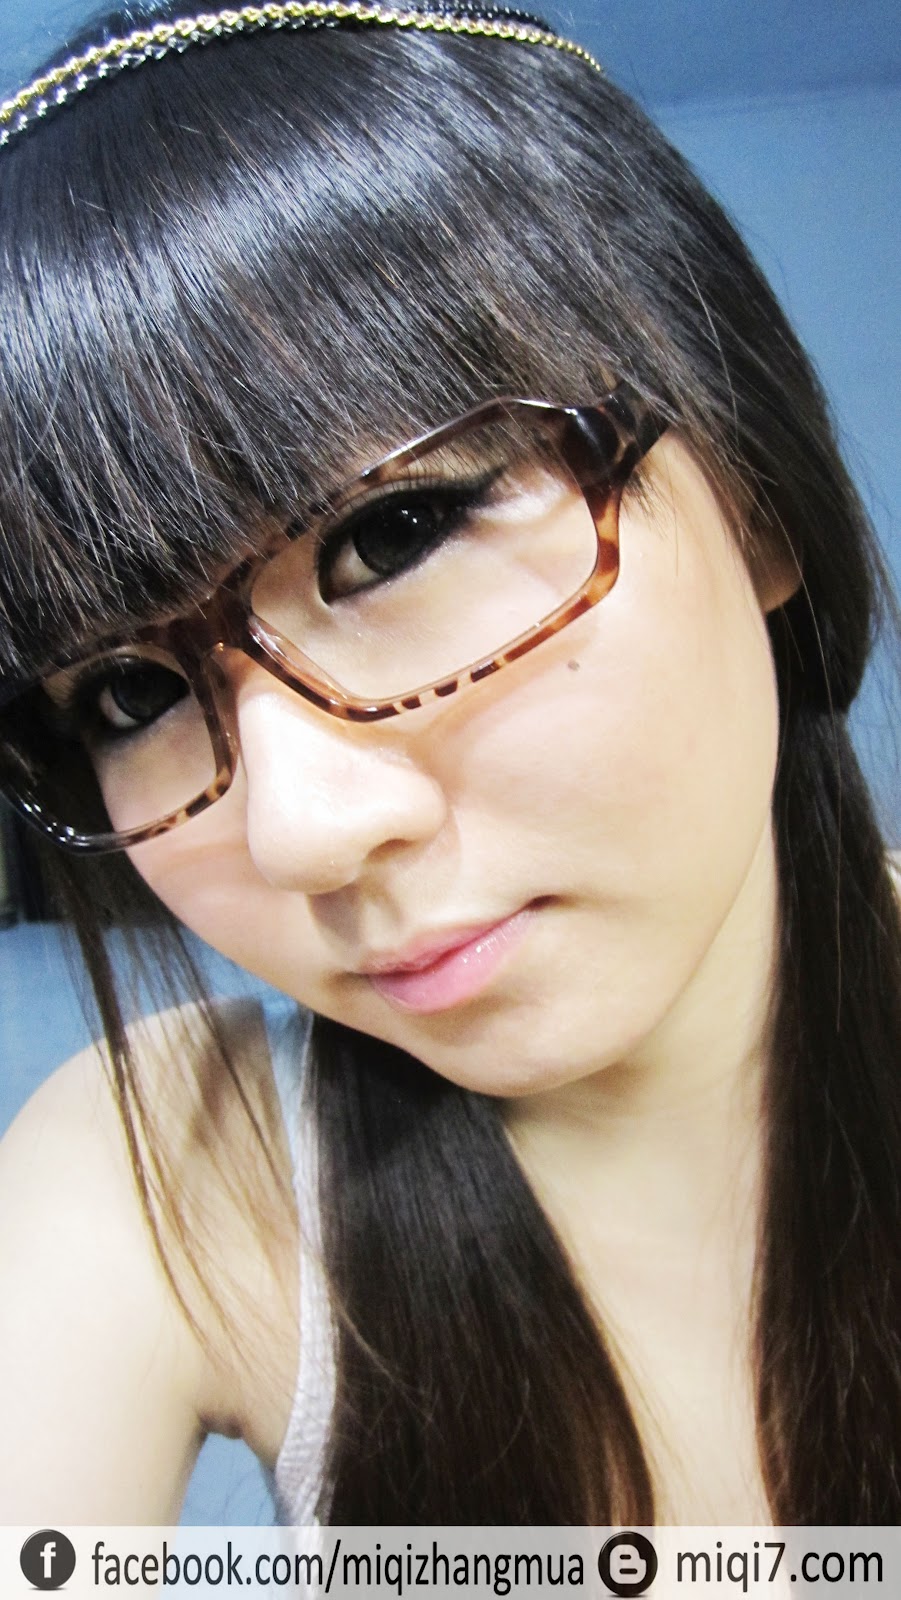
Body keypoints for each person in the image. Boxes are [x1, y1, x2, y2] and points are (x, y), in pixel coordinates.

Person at [0, 0, 899, 1529]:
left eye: (394, 535)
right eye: (131, 693)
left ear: (750, 496)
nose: (300, 833)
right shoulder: (160, 1171)